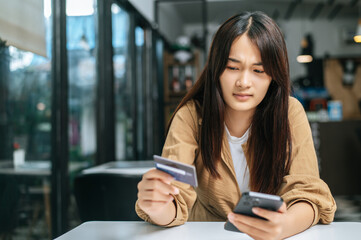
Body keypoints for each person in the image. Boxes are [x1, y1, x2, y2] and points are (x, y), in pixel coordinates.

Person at [136, 11, 336, 239]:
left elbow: (309, 192)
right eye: (232, 68)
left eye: (259, 70)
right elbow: (176, 198)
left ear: (274, 76)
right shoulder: (190, 115)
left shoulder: (290, 112)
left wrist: (284, 226)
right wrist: (157, 205)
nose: (244, 82)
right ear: (216, 69)